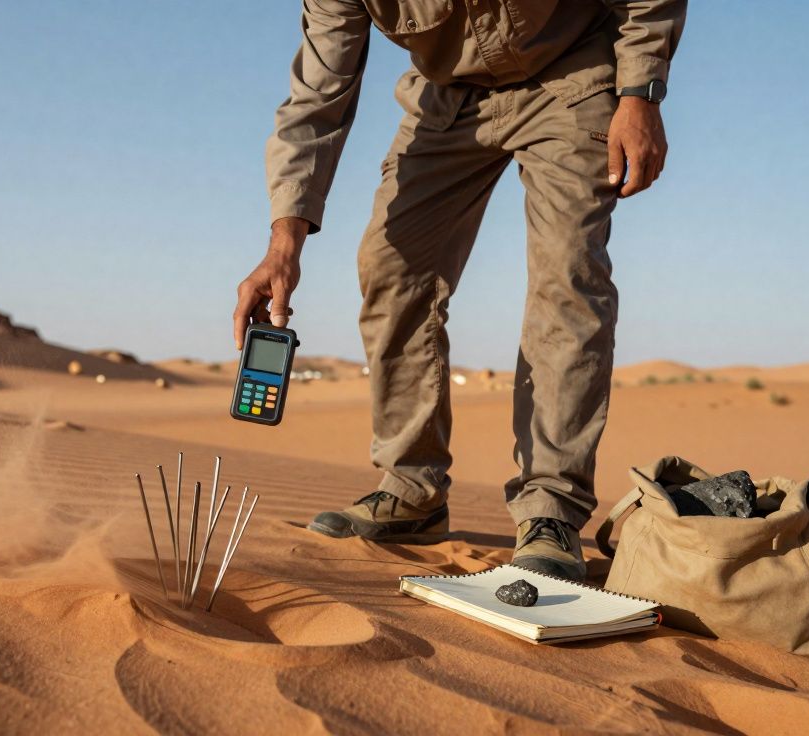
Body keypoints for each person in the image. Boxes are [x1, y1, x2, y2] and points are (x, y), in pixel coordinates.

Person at [233, 0, 686, 581]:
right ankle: (411, 489)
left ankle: (551, 509)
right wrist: (283, 242)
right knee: (391, 267)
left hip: (570, 72)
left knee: (566, 278)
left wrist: (640, 93)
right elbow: (318, 95)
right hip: (446, 94)